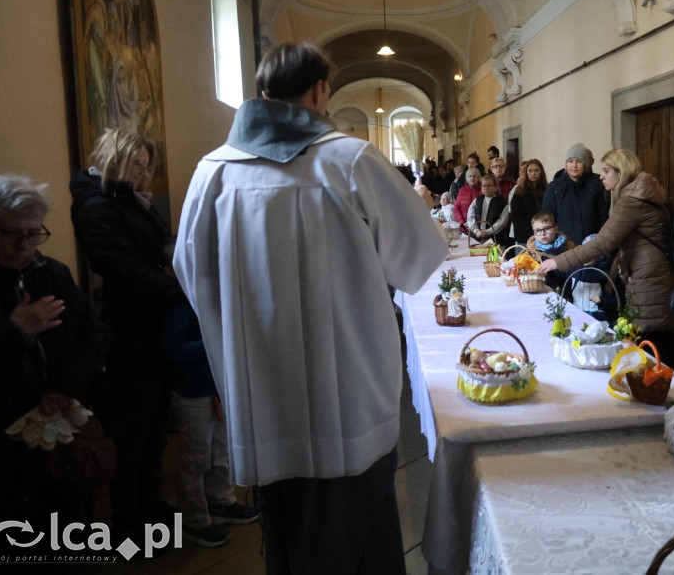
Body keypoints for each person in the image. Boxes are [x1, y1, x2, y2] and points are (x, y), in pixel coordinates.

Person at [173, 41, 448, 574]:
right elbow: (418, 261)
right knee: (362, 533)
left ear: (261, 93)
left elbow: (192, 274)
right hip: (348, 396)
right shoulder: (351, 163)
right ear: (321, 92)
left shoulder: (213, 172)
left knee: (288, 533)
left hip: (265, 399)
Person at [0, 175, 107, 564]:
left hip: (53, 432)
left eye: (35, 234)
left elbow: (95, 334)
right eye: (12, 234)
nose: (25, 246)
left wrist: (64, 386)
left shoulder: (51, 272)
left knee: (54, 539)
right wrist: (15, 332)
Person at [69, 128, 185, 541]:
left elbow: (157, 254)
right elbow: (125, 271)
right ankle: (129, 523)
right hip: (129, 331)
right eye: (136, 163)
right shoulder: (96, 206)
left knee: (155, 426)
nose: (141, 172)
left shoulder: (130, 201)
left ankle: (152, 509)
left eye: (145, 165)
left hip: (152, 324)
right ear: (113, 156)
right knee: (133, 432)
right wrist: (184, 288)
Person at [538, 148, 674, 356]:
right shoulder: (637, 194)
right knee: (651, 336)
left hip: (647, 276)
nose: (601, 176)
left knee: (651, 341)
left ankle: (663, 384)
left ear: (620, 172)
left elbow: (602, 243)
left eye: (606, 171)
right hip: (648, 271)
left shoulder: (633, 201)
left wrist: (556, 262)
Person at [162, 299, 259, 548]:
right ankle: (193, 517)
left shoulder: (217, 300)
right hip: (193, 392)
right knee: (196, 457)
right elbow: (173, 352)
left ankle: (221, 500)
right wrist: (214, 341)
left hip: (217, 389)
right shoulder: (180, 307)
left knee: (221, 449)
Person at [542, 142, 608, 245]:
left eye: (579, 161)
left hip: (592, 246)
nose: (574, 165)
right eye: (570, 161)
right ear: (565, 164)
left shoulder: (596, 185)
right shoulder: (554, 188)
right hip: (564, 246)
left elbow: (603, 217)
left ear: (585, 165)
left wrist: (601, 241)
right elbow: (547, 219)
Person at [509, 158, 548, 245]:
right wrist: (533, 232)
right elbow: (516, 217)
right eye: (530, 171)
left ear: (541, 172)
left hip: (544, 236)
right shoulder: (519, 191)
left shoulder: (547, 190)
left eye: (536, 170)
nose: (533, 173)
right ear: (526, 173)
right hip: (524, 238)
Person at [468, 173, 511, 247]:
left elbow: (502, 221)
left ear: (495, 187)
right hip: (477, 237)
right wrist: (476, 231)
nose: (486, 188)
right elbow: (470, 216)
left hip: (496, 239)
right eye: (483, 186)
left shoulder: (502, 202)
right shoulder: (477, 200)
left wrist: (488, 231)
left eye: (488, 186)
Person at [453, 166, 482, 235]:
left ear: (478, 177)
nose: (472, 178)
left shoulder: (482, 190)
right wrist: (462, 222)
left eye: (474, 176)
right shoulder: (462, 190)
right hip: (465, 227)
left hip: (479, 227)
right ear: (467, 178)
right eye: (470, 176)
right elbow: (456, 208)